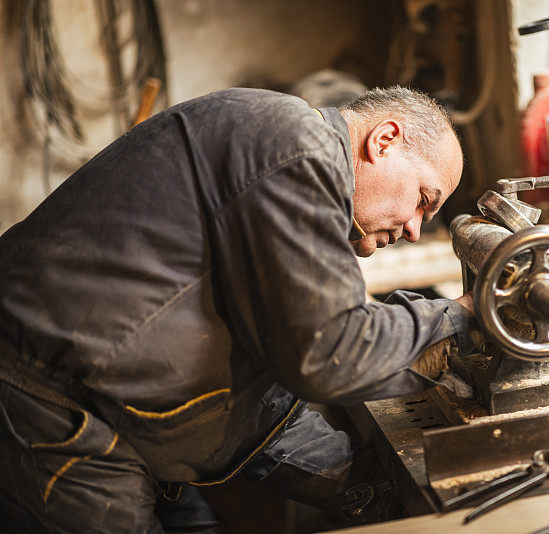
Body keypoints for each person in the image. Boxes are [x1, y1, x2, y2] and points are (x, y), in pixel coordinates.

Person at [0, 86, 474, 532]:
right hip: (51, 409)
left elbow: (265, 391)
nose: (414, 229)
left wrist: (366, 484)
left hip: (122, 418)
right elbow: (332, 351)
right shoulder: (297, 145)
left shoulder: (282, 154)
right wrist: (460, 321)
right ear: (385, 139)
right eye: (422, 200)